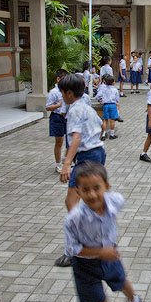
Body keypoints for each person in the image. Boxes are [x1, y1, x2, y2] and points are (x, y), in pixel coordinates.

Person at [63, 161, 150, 302]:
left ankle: (135, 301)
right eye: (85, 190)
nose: (92, 194)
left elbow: (115, 201)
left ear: (107, 187)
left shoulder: (115, 200)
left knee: (122, 282)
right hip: (85, 265)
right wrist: (101, 252)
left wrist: (107, 252)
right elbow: (71, 249)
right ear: (77, 191)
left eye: (97, 188)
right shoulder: (74, 219)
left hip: (110, 256)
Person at [56, 74, 106, 268]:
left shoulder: (75, 110)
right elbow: (101, 126)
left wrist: (67, 163)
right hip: (97, 153)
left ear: (69, 93)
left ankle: (75, 249)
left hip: (86, 158)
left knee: (72, 203)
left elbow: (76, 138)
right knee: (88, 203)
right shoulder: (86, 106)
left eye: (62, 93)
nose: (62, 97)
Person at [46, 69, 69, 173]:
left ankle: (67, 161)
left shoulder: (68, 90)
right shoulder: (53, 92)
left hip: (67, 117)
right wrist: (58, 105)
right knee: (59, 142)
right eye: (63, 79)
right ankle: (58, 164)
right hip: (57, 117)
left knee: (70, 141)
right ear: (58, 79)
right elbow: (48, 107)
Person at [99, 75, 120, 141]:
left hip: (105, 105)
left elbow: (98, 96)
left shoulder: (103, 89)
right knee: (112, 120)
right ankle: (112, 134)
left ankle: (103, 135)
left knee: (105, 120)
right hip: (112, 105)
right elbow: (117, 99)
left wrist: (101, 100)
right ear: (113, 82)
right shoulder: (115, 90)